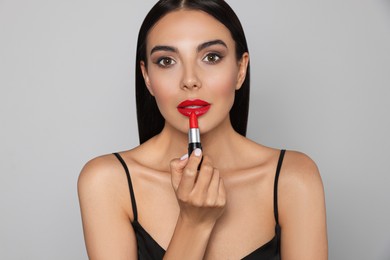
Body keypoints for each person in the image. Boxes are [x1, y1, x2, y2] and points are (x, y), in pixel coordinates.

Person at [77, 0, 328, 259]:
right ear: (147, 78)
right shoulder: (107, 182)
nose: (189, 80)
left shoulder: (294, 178)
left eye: (211, 57)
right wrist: (193, 223)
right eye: (166, 61)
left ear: (241, 69)